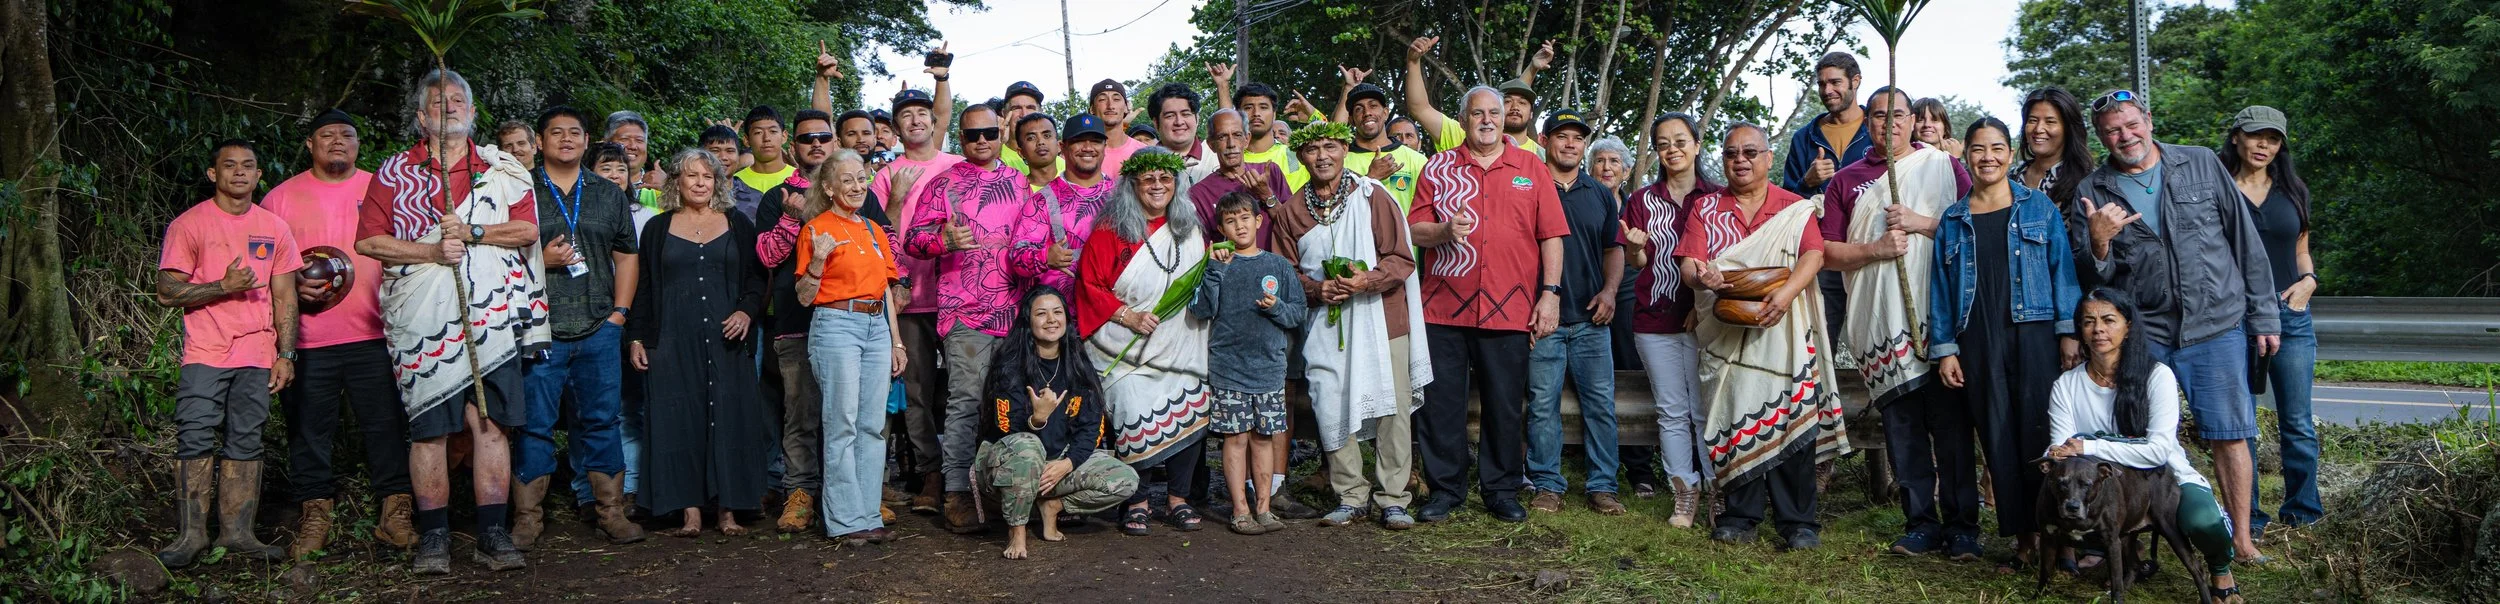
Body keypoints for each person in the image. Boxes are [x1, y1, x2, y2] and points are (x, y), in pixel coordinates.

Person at [353, 68, 542, 573]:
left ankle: (492, 533)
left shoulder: (501, 170)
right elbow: (368, 242)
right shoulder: (394, 172)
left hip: (492, 317)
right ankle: (434, 536)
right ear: (420, 116)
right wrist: (432, 251)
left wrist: (473, 230)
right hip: (421, 319)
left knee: (491, 424)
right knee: (429, 430)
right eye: (438, 101)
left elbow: (525, 230)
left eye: (458, 100)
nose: (449, 106)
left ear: (474, 112)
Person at [2078, 90, 2279, 564]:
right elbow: (2092, 280)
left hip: (2217, 323)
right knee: (2132, 433)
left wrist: (2264, 315)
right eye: (2112, 130)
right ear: (2100, 137)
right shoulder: (2093, 190)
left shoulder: (2201, 163)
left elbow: (2243, 240)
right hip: (2145, 331)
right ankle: (2127, 540)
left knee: (2229, 432)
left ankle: (2242, 541)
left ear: (2148, 120)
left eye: (2131, 124)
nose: (2124, 136)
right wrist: (2099, 242)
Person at [1816, 87, 1975, 557]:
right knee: (1903, 432)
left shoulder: (1943, 166)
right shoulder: (1846, 181)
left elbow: (1972, 226)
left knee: (1951, 430)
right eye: (1880, 115)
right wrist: (1876, 250)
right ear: (1867, 122)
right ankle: (1920, 523)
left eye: (1899, 115)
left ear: (1913, 119)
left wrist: (1922, 223)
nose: (1890, 123)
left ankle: (1964, 526)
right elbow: (1827, 252)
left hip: (1937, 320)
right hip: (1880, 325)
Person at [1675, 122, 1846, 551]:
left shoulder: (1794, 207)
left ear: (1769, 158)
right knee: (1735, 419)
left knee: (1791, 415)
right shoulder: (1706, 209)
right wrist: (1705, 276)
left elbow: (1814, 253)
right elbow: (1689, 266)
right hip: (1724, 334)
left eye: (1750, 152)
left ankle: (1798, 522)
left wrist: (1786, 295)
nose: (1741, 160)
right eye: (1732, 153)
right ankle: (1740, 515)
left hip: (1783, 328)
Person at [1406, 87, 1569, 524]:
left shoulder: (1532, 167)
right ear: (1463, 119)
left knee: (1504, 402)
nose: (1487, 120)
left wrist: (1550, 295)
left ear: (1504, 118)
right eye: (1477, 113)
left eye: (1494, 113)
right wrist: (1442, 232)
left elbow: (1551, 235)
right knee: (1440, 403)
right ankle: (1445, 490)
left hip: (1509, 307)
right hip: (1443, 306)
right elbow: (1413, 229)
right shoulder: (1438, 167)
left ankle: (1500, 489)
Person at [262, 110, 419, 558]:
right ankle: (315, 513)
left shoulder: (381, 188)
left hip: (377, 331)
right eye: (326, 135)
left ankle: (395, 510)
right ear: (310, 144)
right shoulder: (280, 199)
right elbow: (265, 268)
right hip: (309, 338)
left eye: (346, 135)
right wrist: (291, 284)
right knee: (308, 428)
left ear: (357, 144)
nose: (336, 142)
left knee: (387, 424)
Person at [1927, 117, 2077, 567]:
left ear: (2010, 155)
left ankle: (2061, 539)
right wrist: (1945, 348)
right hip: (1977, 337)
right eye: (1978, 149)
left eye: (1996, 148)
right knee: (1997, 437)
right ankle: (2023, 540)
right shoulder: (1953, 220)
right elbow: (1939, 288)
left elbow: (2062, 270)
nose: (1987, 157)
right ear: (1966, 155)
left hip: (2033, 334)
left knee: (2040, 433)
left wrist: (2067, 332)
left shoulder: (2039, 209)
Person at [1271, 121, 1428, 530]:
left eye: (1330, 147)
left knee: (1392, 406)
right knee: (1329, 402)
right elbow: (1284, 273)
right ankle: (1350, 495)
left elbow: (1401, 258)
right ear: (1301, 156)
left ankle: (1393, 497)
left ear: (1344, 149)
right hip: (1323, 321)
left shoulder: (1373, 196)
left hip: (1382, 317)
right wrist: (1316, 289)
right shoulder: (1291, 212)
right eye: (1312, 149)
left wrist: (1365, 281)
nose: (1322, 156)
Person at [155, 138, 303, 568]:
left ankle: (238, 534)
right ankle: (191, 536)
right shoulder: (190, 224)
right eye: (229, 165)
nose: (239, 172)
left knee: (247, 437)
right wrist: (222, 286)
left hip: (258, 352)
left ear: (259, 175)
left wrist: (286, 353)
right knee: (196, 432)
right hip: (206, 349)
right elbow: (167, 291)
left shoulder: (274, 227)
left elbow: (286, 297)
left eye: (248, 166)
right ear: (213, 175)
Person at [2045, 288, 2246, 604]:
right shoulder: (2066, 385)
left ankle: (2221, 569)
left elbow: (2157, 452)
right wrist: (2066, 452)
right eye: (2089, 322)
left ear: (2128, 327)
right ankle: (2118, 558)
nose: (2099, 329)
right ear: (2080, 331)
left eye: (2109, 320)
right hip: (2103, 487)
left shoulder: (2156, 375)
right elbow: (2061, 453)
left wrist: (2087, 446)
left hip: (2163, 477)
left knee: (2202, 521)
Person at [513, 105, 647, 548]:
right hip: (538, 328)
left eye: (574, 133)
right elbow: (494, 255)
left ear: (587, 141)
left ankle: (611, 511)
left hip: (598, 326)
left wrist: (619, 315)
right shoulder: (520, 189)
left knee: (602, 421)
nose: (566, 139)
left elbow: (627, 253)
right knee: (535, 424)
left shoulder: (607, 192)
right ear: (539, 141)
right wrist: (539, 259)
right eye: (556, 133)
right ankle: (528, 518)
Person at [902, 104, 1032, 533]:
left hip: (1014, 312)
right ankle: (957, 492)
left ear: (1001, 134)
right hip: (964, 313)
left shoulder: (1017, 181)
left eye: (989, 133)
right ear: (961, 135)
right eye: (973, 134)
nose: (981, 141)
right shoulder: (944, 182)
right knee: (965, 401)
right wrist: (942, 239)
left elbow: (1029, 239)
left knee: (1010, 403)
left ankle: (1000, 490)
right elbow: (913, 239)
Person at [629, 148, 769, 538]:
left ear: (718, 182)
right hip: (672, 338)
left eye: (707, 176)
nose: (700, 183)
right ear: (676, 181)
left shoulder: (738, 223)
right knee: (677, 418)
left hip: (728, 338)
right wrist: (637, 336)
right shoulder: (657, 228)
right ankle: (689, 512)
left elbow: (758, 281)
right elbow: (643, 287)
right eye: (691, 176)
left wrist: (745, 312)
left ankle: (728, 511)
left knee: (730, 417)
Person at [1075, 148, 1215, 536]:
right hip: (1124, 343)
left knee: (1191, 403)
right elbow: (1088, 284)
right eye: (1148, 178)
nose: (1157, 185)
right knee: (1132, 410)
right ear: (1132, 184)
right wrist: (1127, 315)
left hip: (1181, 340)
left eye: (1165, 179)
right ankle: (1135, 501)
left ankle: (1178, 499)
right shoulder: (1110, 230)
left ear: (1177, 184)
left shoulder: (1190, 229)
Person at [752, 107, 866, 532]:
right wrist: (788, 218)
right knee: (800, 413)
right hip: (796, 320)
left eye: (823, 137)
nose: (815, 144)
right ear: (792, 146)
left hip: (855, 324)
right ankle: (799, 493)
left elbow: (883, 245)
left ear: (835, 142)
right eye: (806, 138)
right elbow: (766, 256)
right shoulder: (778, 195)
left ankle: (850, 494)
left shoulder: (857, 190)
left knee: (850, 415)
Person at [793, 148, 909, 546]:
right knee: (841, 423)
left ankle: (867, 513)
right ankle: (844, 520)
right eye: (847, 179)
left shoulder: (875, 231)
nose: (857, 186)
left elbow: (888, 291)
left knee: (872, 425)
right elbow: (805, 297)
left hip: (877, 324)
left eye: (861, 178)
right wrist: (818, 261)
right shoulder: (815, 230)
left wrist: (896, 341)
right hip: (836, 325)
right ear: (827, 188)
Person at [977, 286, 1140, 559]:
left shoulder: (1077, 364)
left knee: (1125, 480)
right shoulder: (1009, 364)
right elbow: (1005, 430)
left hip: (1054, 466)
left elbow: (1092, 428)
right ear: (1028, 322)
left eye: (1057, 312)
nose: (1051, 319)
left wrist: (1068, 463)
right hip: (1005, 466)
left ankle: (1052, 505)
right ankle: (1017, 530)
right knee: (1029, 447)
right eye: (1041, 313)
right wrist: (1037, 419)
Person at [2221, 105, 2322, 531]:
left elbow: (2300, 247)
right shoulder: (2217, 188)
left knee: (2296, 421)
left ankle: (2303, 512)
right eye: (2255, 135)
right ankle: (2252, 518)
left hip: (2290, 314)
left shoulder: (2294, 190)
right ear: (2236, 138)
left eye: (2273, 138)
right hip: (2233, 316)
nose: (2264, 145)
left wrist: (2309, 280)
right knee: (2242, 421)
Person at [1522, 109, 1628, 516]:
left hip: (1590, 319)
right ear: (1545, 140)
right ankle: (1547, 484)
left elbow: (1612, 248)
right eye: (1562, 136)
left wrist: (1610, 291)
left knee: (1600, 404)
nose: (1570, 144)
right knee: (1542, 403)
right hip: (1542, 319)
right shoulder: (1528, 185)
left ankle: (1603, 485)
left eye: (1577, 138)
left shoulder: (1599, 193)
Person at [1618, 112, 1719, 526]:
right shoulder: (1642, 200)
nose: (1672, 149)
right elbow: (1636, 262)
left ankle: (1718, 490)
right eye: (1663, 143)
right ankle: (1684, 490)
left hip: (1709, 320)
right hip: (1654, 317)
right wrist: (1633, 247)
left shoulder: (1718, 198)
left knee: (1707, 409)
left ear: (1696, 144)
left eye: (1680, 141)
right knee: (1672, 410)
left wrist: (1703, 304)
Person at [1192, 191, 1310, 535]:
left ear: (1259, 221)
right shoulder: (1215, 263)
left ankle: (1264, 507)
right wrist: (1214, 271)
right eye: (1230, 221)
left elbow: (1297, 313)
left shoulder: (1278, 266)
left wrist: (1275, 308)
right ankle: (1239, 510)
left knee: (1263, 437)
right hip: (1228, 369)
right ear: (1220, 228)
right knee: (1235, 438)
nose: (1239, 225)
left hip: (1270, 370)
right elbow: (1201, 310)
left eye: (1245, 218)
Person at [878, 84, 965, 517]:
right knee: (916, 391)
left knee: (966, 390)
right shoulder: (885, 174)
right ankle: (931, 474)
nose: (915, 120)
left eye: (922, 113)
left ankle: (967, 478)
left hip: (959, 294)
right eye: (906, 115)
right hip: (908, 298)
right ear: (896, 128)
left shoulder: (959, 166)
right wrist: (895, 197)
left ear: (935, 121)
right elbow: (878, 235)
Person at [1010, 114, 1119, 298]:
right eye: (1078, 141)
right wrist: (1045, 258)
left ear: (1104, 147)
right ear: (1063, 147)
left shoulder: (1123, 194)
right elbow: (1018, 255)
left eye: (1095, 141)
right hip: (1065, 317)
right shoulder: (1042, 201)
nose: (1087, 148)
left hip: (1118, 312)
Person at [1401, 37, 1548, 156]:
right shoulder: (1466, 132)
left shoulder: (1540, 157)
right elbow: (1419, 108)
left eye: (1523, 103)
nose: (1515, 107)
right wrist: (1413, 62)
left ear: (1531, 114)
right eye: (1507, 102)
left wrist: (1533, 68)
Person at [1331, 69, 1428, 209]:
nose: (1367, 113)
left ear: (1386, 113)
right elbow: (1332, 210)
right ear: (1351, 120)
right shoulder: (1340, 160)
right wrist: (1371, 178)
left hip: (1404, 232)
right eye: (1359, 109)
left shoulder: (1416, 160)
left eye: (1373, 106)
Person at [1190, 109, 1290, 247]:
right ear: (1211, 145)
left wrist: (1267, 195)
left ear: (1247, 139)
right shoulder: (1199, 194)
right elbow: (1204, 249)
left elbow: (1291, 228)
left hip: (1277, 266)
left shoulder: (1270, 172)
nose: (1231, 144)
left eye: (1237, 135)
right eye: (1222, 137)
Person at [1781, 51, 1874, 194]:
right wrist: (1806, 183)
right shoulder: (1803, 138)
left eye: (1835, 82)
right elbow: (1788, 202)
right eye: (1821, 84)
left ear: (1855, 81)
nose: (1827, 91)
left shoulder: (1878, 129)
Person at [1210, 75, 1308, 192]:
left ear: (1274, 114)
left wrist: (1313, 115)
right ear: (1237, 115)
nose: (1256, 113)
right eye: (1248, 107)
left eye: (1263, 107)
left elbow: (1332, 141)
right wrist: (1222, 86)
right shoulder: (1229, 157)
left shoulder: (1295, 154)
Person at [2016, 87, 2092, 211]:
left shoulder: (2086, 181)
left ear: (2068, 129)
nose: (2038, 129)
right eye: (2033, 120)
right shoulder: (2012, 178)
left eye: (2050, 121)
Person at [1144, 82, 1220, 189]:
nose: (1179, 122)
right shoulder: (1144, 164)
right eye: (1170, 116)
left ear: (1197, 119)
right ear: (1156, 123)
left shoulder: (1218, 157)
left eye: (1185, 114)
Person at [732, 105, 795, 222]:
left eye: (773, 131)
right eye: (758, 132)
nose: (766, 138)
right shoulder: (735, 183)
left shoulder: (799, 179)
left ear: (784, 136)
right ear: (746, 140)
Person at [999, 80, 1063, 177]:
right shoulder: (994, 157)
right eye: (1016, 108)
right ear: (1004, 113)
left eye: (1030, 107)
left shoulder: (1062, 165)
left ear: (1041, 112)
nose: (1024, 114)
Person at [1087, 79, 1149, 173]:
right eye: (1102, 100)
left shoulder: (1144, 152)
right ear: (1092, 109)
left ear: (1126, 107)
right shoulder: (1083, 154)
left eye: (1116, 99)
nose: (1110, 106)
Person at [1010, 113, 1063, 192]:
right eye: (1031, 138)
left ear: (1059, 146)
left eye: (1047, 136)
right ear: (1021, 153)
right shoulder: (1014, 193)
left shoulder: (1076, 183)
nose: (1040, 142)